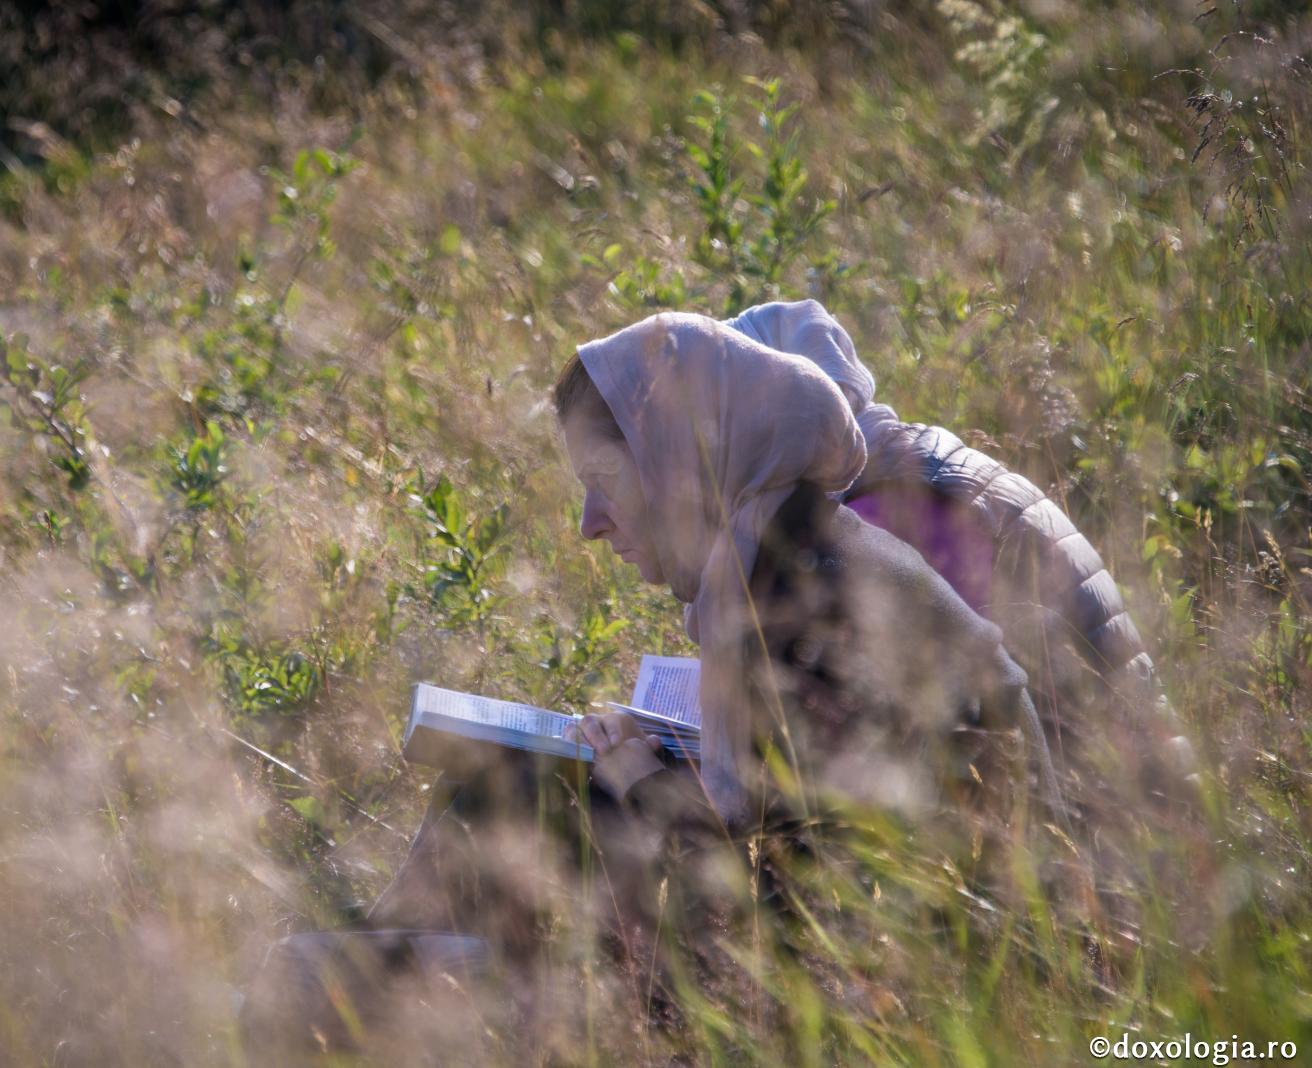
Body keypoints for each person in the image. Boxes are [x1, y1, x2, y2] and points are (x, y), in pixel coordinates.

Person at [369, 313, 1072, 967]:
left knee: (535, 807)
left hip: (953, 964)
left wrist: (647, 788)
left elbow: (788, 919)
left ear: (684, 466)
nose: (589, 524)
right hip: (932, 935)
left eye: (606, 481)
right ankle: (387, 965)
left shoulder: (804, 604)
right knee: (521, 782)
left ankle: (380, 983)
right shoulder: (794, 557)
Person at [719, 299, 1198, 820]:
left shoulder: (890, 507)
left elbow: (940, 704)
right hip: (1117, 774)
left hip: (1106, 806)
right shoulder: (918, 458)